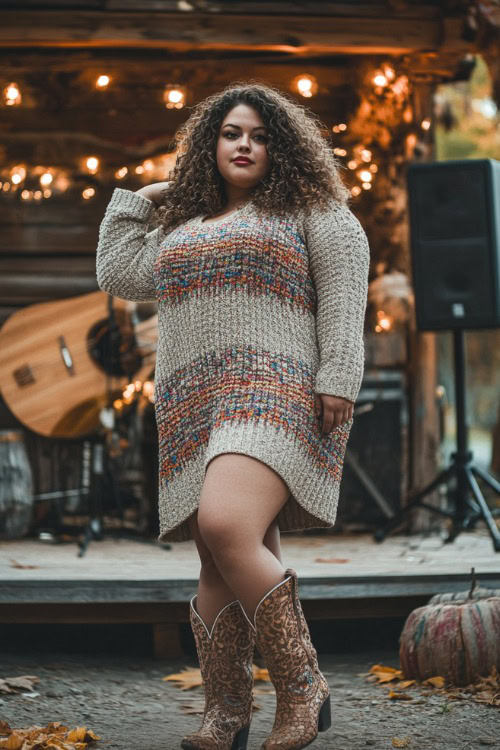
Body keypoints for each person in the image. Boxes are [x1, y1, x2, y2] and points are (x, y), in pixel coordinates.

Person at [96, 80, 370, 750]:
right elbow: (118, 272)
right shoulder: (183, 226)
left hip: (276, 389)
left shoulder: (312, 209)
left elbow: (345, 288)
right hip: (194, 404)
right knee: (219, 558)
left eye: (260, 134)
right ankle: (227, 715)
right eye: (230, 133)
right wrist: (153, 196)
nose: (245, 145)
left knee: (224, 522)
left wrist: (339, 376)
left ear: (283, 149)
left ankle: (305, 688)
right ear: (209, 145)